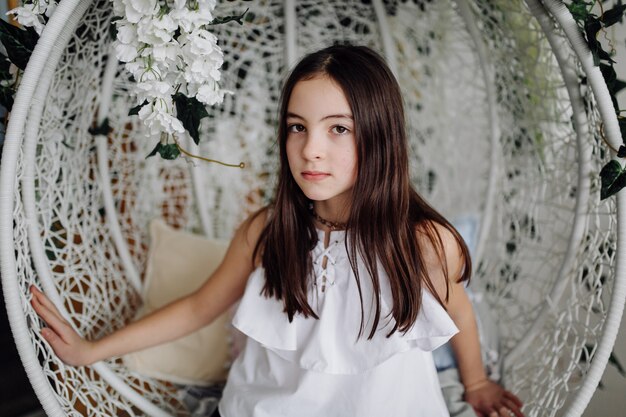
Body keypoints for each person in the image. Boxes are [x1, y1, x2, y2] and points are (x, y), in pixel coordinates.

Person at [30, 44, 523, 417]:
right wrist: (92, 350)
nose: (311, 149)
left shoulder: (423, 242)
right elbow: (200, 307)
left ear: (380, 136)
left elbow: (456, 306)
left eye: (339, 129)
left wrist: (475, 382)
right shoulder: (268, 231)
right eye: (296, 127)